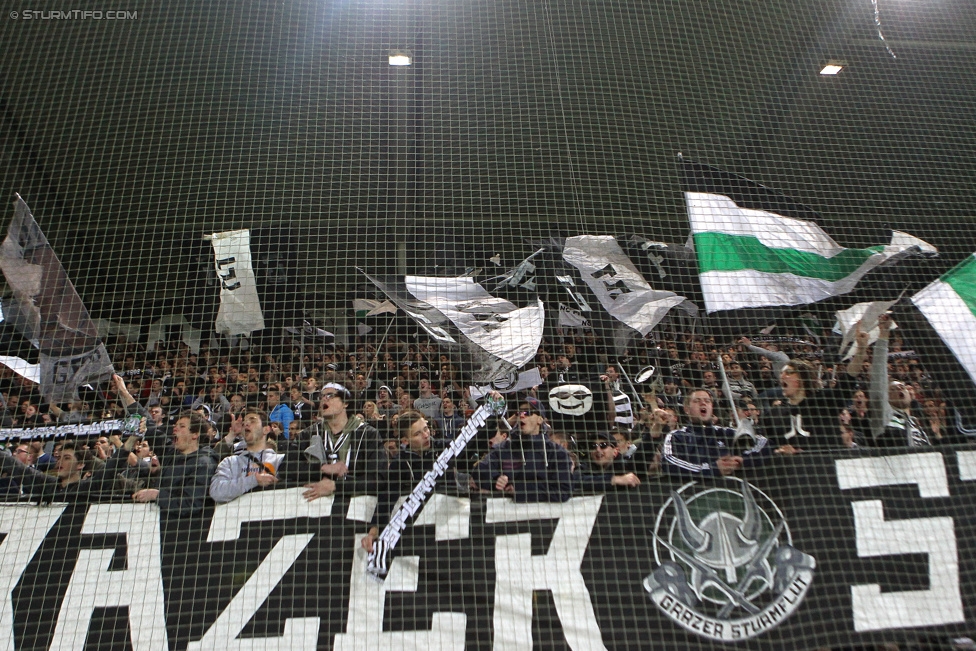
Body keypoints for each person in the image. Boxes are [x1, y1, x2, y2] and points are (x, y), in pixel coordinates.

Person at [361, 410, 456, 552]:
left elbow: (474, 441)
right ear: (405, 441)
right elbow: (386, 499)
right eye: (417, 434)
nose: (426, 435)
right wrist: (373, 532)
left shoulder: (444, 449)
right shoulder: (400, 464)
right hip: (419, 531)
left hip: (450, 522)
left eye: (426, 429)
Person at [763, 326, 870, 453]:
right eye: (782, 373)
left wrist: (861, 349)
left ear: (802, 379)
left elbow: (848, 379)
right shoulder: (774, 414)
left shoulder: (823, 402)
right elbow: (770, 446)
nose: (782, 376)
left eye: (788, 373)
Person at [283, 383, 384, 502]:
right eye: (322, 396)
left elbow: (378, 479)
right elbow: (286, 468)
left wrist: (336, 486)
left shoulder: (368, 434)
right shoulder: (308, 434)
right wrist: (322, 468)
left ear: (345, 402)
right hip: (315, 511)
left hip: (353, 512)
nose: (324, 399)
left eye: (330, 395)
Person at [472, 396, 573, 503]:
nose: (521, 415)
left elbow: (563, 490)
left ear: (540, 419)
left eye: (527, 412)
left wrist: (521, 489)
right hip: (507, 516)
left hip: (542, 517)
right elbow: (479, 470)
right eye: (518, 412)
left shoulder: (557, 453)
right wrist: (496, 480)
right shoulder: (505, 448)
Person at [662, 389, 769, 480]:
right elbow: (669, 462)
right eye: (697, 401)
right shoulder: (676, 436)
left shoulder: (725, 432)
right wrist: (712, 469)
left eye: (707, 401)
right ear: (686, 409)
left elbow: (764, 442)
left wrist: (743, 460)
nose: (703, 403)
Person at [130, 411, 218, 517]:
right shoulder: (171, 454)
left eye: (182, 426)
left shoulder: (204, 463)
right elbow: (153, 432)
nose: (175, 429)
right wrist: (124, 394)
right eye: (175, 425)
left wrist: (156, 495)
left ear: (195, 434)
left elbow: (191, 504)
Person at [868, 315, 931, 448]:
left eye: (901, 386)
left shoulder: (917, 422)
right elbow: (879, 374)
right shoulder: (884, 413)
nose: (899, 389)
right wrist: (884, 333)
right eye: (893, 389)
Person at [210, 409, 284, 503]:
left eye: (252, 421)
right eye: (244, 422)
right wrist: (254, 480)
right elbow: (216, 492)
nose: (246, 424)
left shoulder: (280, 460)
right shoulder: (229, 462)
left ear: (266, 429)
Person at [573, 432, 642, 493]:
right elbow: (574, 480)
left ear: (615, 451)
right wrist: (613, 479)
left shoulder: (625, 466)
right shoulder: (585, 467)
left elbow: (643, 460)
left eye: (603, 445)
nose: (598, 450)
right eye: (593, 446)